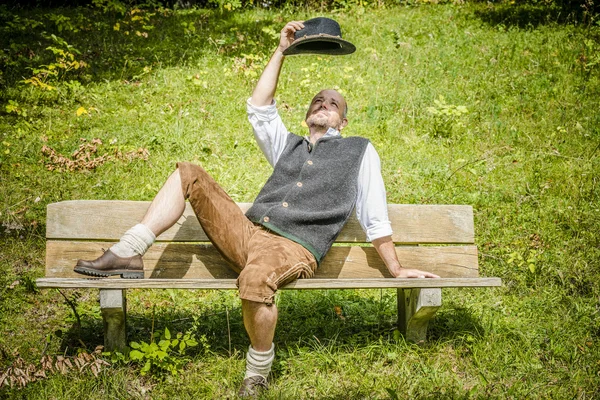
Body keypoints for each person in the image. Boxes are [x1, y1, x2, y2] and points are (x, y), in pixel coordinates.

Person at [74, 20, 440, 397]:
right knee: (189, 174)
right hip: (249, 232)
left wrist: (395, 268)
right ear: (307, 113)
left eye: (334, 104)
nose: (324, 105)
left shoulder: (359, 150)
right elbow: (259, 107)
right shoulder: (288, 144)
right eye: (319, 100)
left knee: (254, 279)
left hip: (293, 247)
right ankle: (129, 252)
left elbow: (374, 213)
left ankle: (257, 371)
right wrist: (281, 50)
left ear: (343, 121)